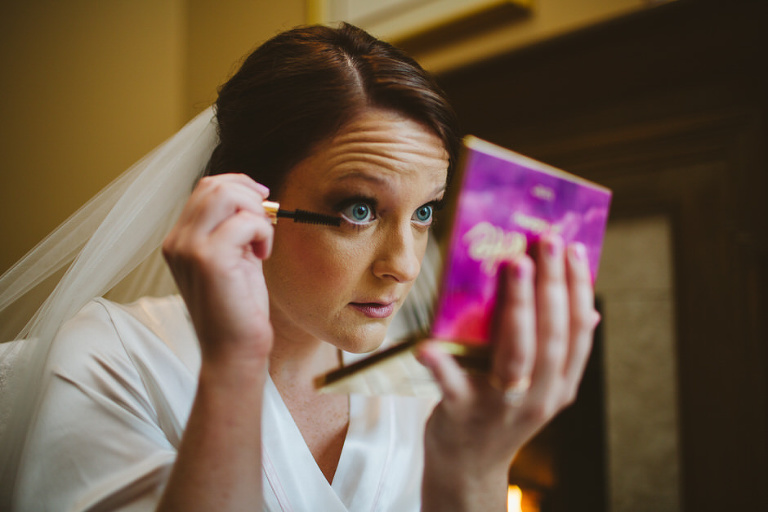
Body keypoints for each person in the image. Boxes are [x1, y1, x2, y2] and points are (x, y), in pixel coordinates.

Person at [0, 23, 600, 511]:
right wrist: (233, 365)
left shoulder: (431, 384)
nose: (405, 266)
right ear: (247, 202)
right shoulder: (112, 357)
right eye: (359, 209)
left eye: (423, 213)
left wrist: (478, 465)